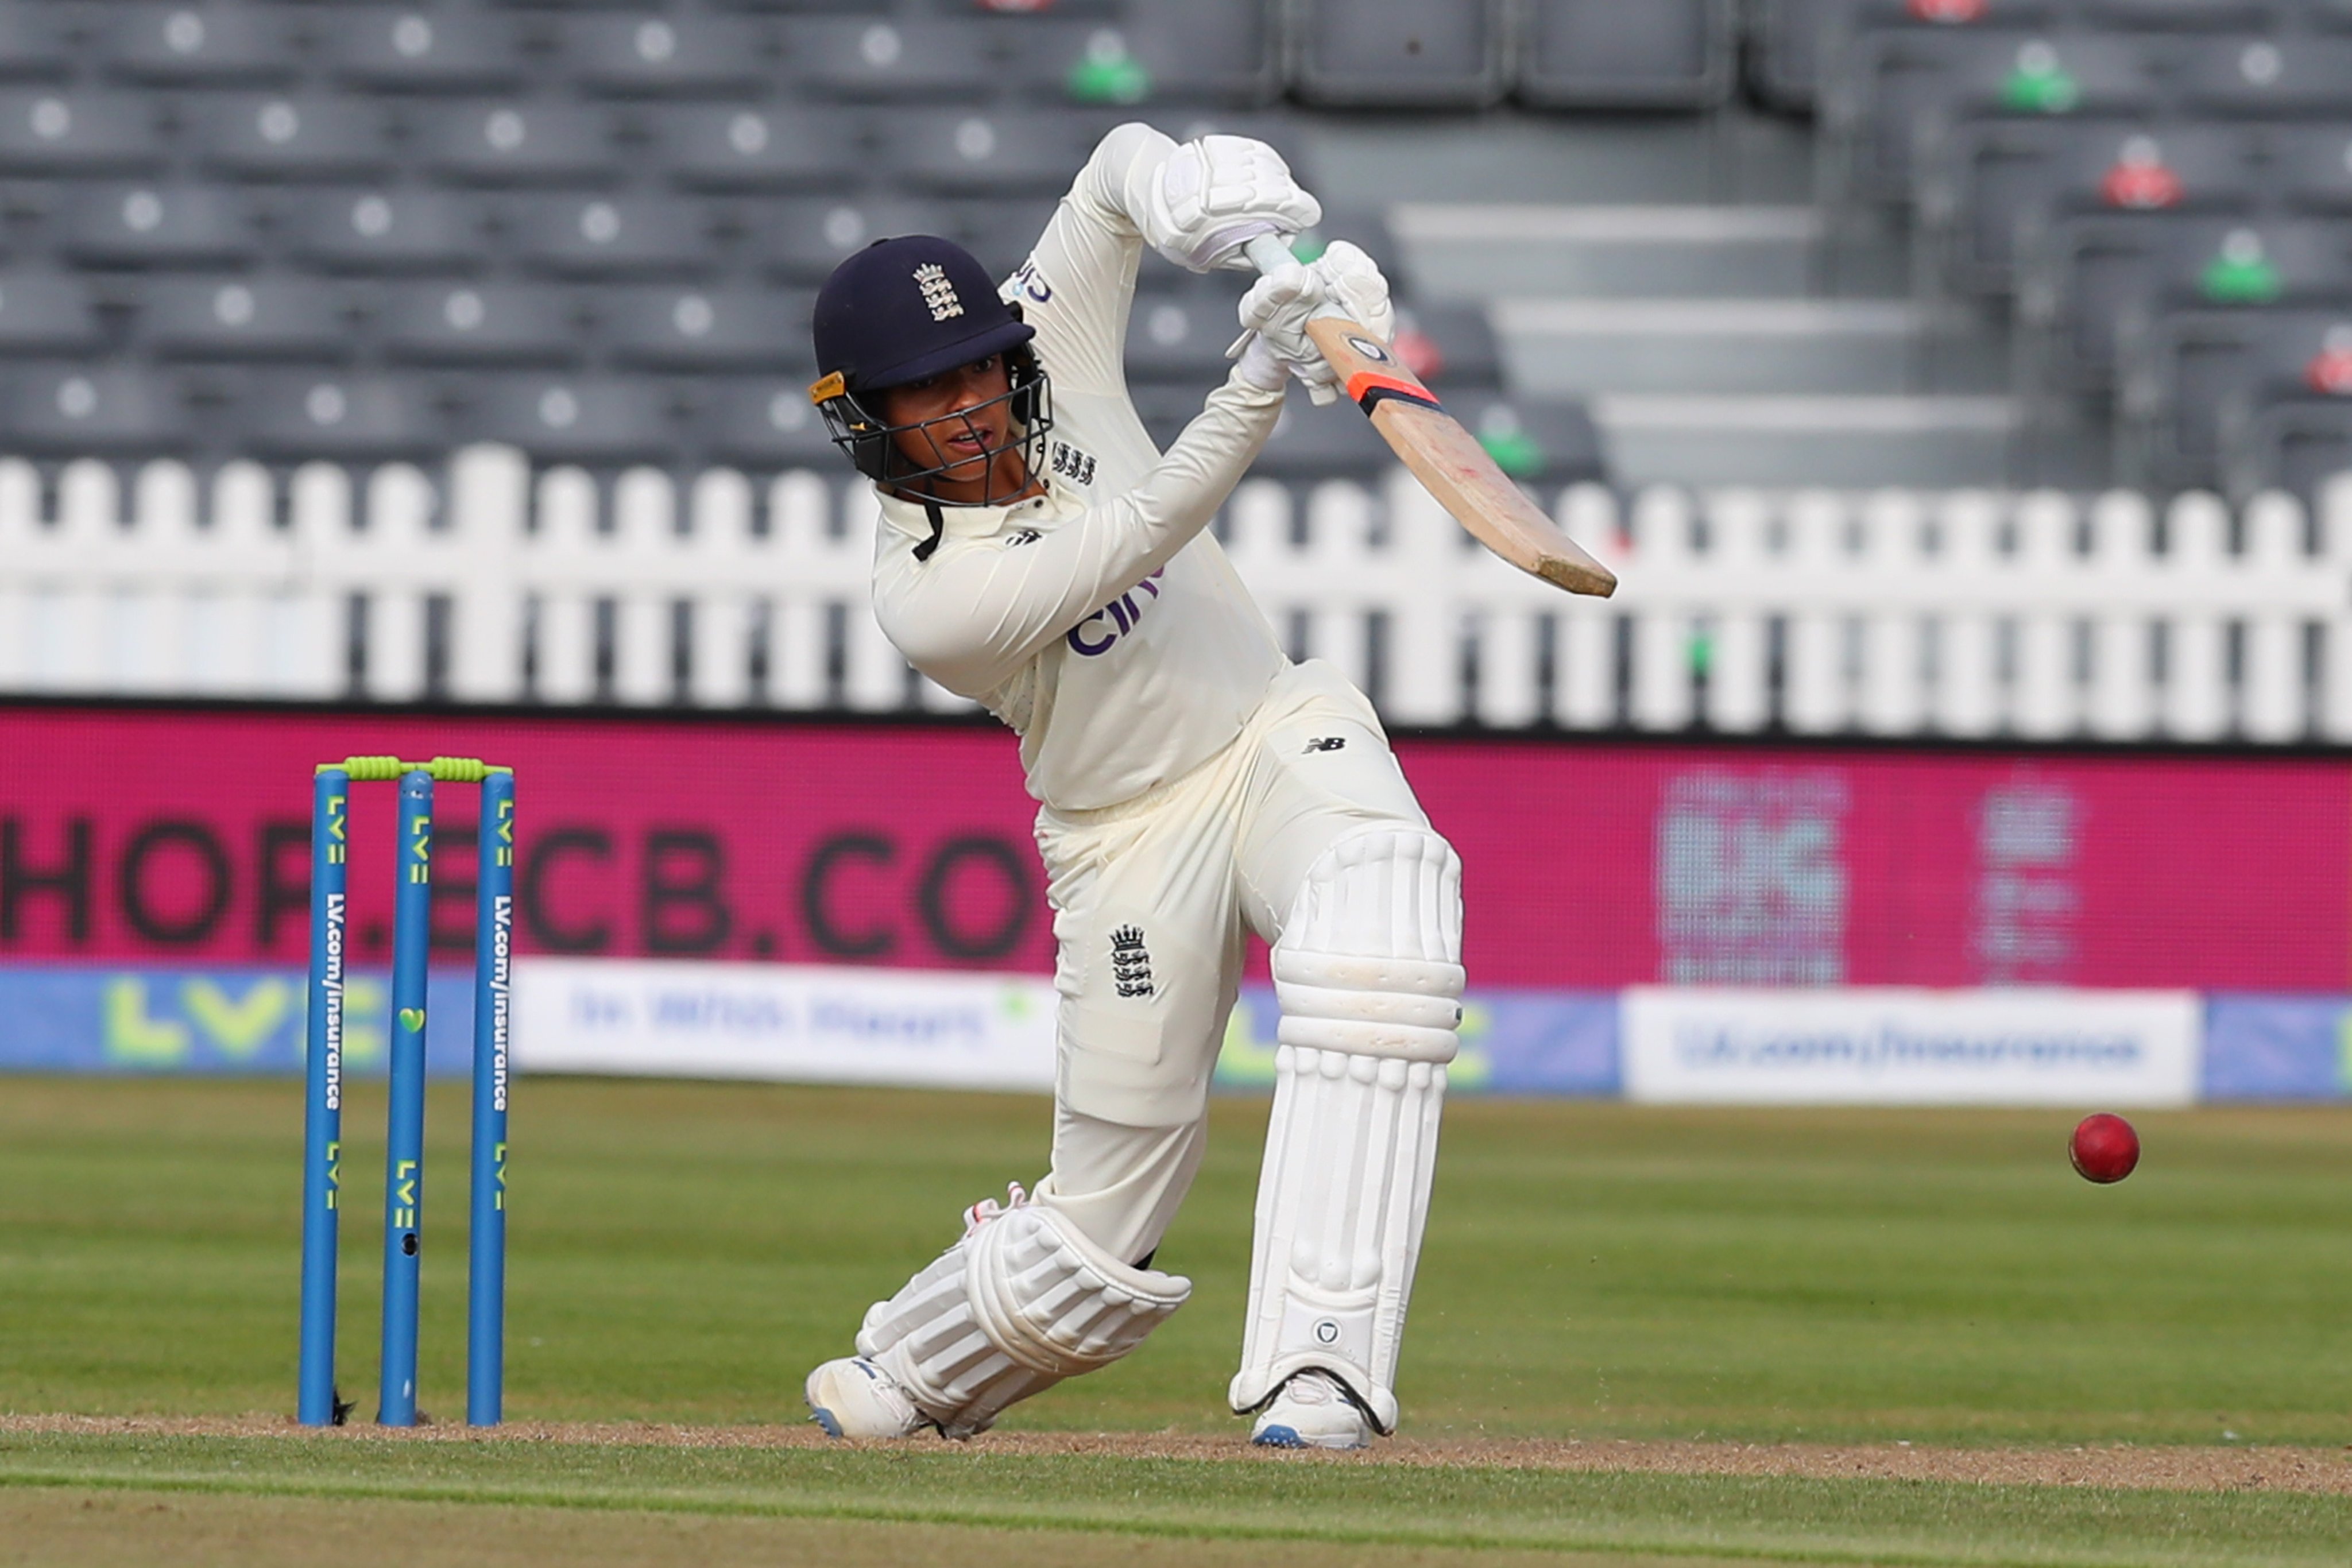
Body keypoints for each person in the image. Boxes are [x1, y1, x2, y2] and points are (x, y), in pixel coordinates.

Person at [799, 125, 1464, 1451]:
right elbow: (1146, 526)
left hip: (1269, 729)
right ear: (866, 419)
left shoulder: (1048, 346)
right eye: (929, 388)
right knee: (1096, 1238)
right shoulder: (931, 597)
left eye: (980, 363)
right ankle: (910, 1362)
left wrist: (1197, 206)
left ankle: (1317, 1367)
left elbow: (1108, 169)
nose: (975, 399)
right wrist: (1267, 367)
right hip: (1122, 841)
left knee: (1383, 919)